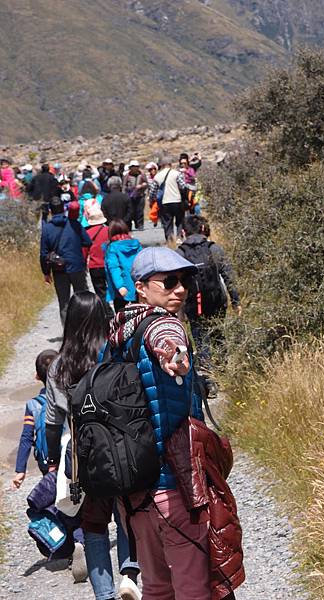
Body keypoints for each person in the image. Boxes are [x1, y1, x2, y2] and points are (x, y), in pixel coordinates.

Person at [107, 246, 211, 599]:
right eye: (168, 282)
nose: (179, 289)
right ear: (141, 287)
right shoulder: (164, 325)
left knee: (156, 589)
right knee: (194, 587)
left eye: (183, 281)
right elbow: (170, 344)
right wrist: (177, 359)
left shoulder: (118, 333)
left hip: (135, 497)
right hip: (174, 490)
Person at [44, 292, 141, 599]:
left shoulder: (58, 366)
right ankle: (129, 574)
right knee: (127, 512)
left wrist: (53, 459)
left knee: (94, 525)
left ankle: (104, 594)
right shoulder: (115, 352)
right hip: (122, 443)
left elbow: (51, 420)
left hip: (83, 452)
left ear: (69, 321)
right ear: (103, 317)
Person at [177, 215, 241, 370]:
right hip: (217, 301)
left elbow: (177, 285)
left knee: (200, 338)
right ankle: (223, 368)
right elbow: (228, 276)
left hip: (193, 305)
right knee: (218, 334)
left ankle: (209, 378)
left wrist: (179, 310)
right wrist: (236, 301)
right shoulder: (214, 249)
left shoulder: (180, 253)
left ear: (184, 232)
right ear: (203, 229)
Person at [11, 349, 58, 490]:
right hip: (68, 458)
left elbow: (26, 437)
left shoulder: (33, 405)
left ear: (37, 376)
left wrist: (20, 469)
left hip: (46, 461)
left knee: (52, 492)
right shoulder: (70, 397)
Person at [40, 196, 91, 324]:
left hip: (58, 269)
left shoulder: (47, 229)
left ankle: (69, 334)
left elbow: (43, 254)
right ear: (64, 208)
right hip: (76, 266)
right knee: (82, 299)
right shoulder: (74, 224)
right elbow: (87, 241)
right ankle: (85, 329)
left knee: (64, 303)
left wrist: (46, 273)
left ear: (51, 211)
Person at [84, 202, 114, 320]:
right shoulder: (109, 230)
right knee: (113, 289)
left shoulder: (87, 233)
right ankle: (118, 313)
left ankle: (107, 314)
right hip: (109, 264)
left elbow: (84, 251)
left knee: (100, 291)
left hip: (94, 265)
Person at [148, 157, 190, 242]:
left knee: (167, 223)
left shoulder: (157, 176)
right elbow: (183, 187)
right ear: (170, 164)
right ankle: (179, 238)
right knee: (179, 221)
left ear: (161, 165)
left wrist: (152, 202)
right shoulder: (177, 173)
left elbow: (152, 192)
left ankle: (170, 241)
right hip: (177, 201)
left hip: (164, 203)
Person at [104, 219, 142, 313]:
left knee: (122, 318)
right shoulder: (136, 244)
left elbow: (114, 268)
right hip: (139, 285)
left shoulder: (113, 247)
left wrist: (120, 286)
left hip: (121, 290)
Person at [122, 160, 147, 231]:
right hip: (130, 196)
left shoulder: (142, 174)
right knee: (131, 211)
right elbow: (124, 186)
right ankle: (130, 225)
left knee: (140, 210)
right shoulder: (127, 176)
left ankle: (140, 225)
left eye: (136, 167)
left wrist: (142, 185)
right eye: (133, 167)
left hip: (140, 195)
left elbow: (146, 183)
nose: (135, 168)